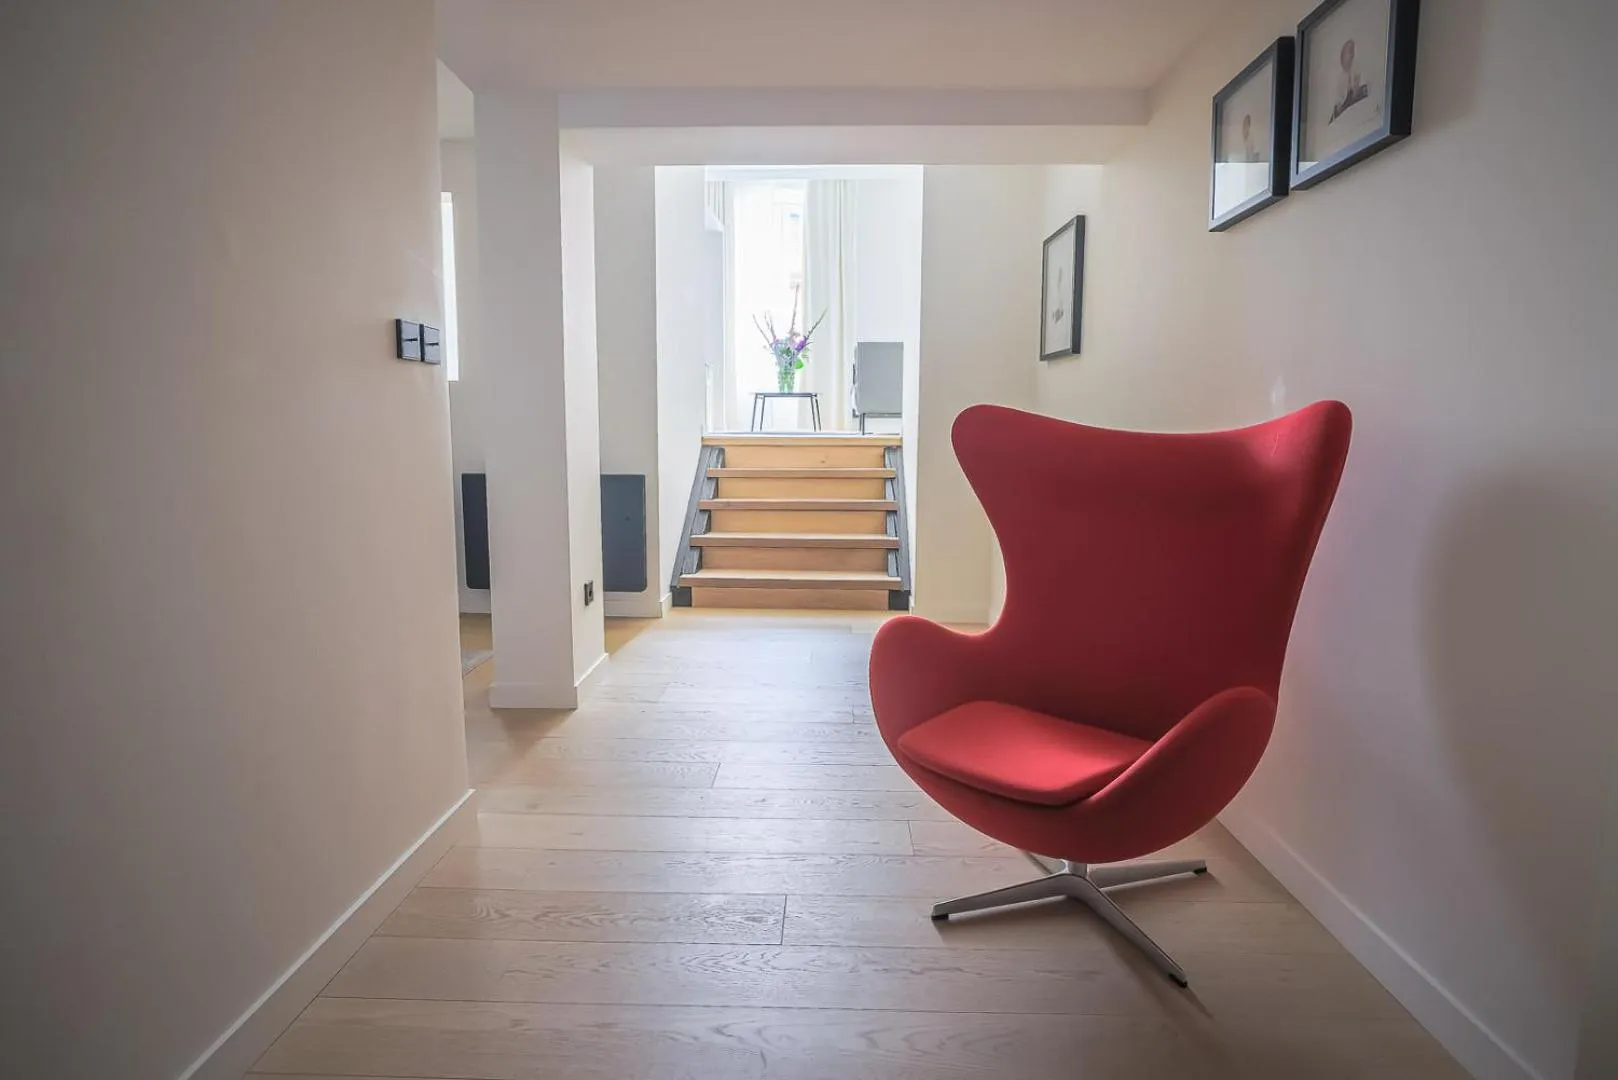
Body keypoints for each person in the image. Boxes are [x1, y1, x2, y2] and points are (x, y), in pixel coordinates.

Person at [1329, 37, 1370, 124]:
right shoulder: (1341, 77)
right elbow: (1339, 98)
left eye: (1352, 51)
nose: (1351, 55)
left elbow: (1361, 87)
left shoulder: (1357, 67)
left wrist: (1356, 86)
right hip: (1343, 105)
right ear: (1342, 56)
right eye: (1349, 52)